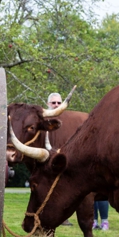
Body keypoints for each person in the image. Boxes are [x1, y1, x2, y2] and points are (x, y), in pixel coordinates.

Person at [47, 93, 74, 227]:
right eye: (53, 103)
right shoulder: (44, 122)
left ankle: (64, 217)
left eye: (58, 103)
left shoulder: (67, 122)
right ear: (48, 104)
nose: (56, 105)